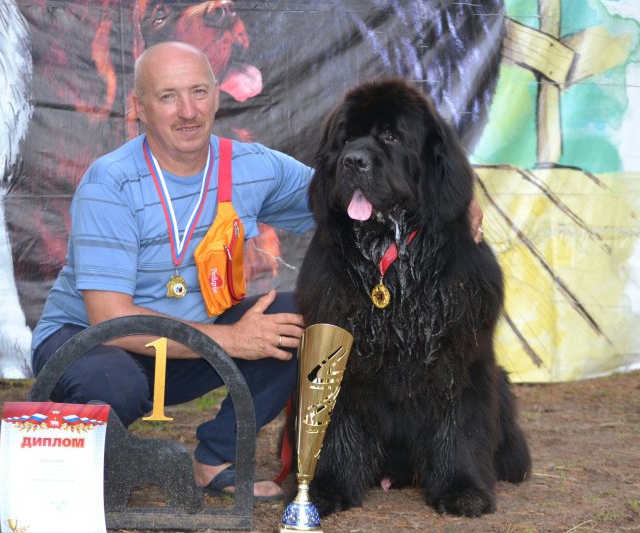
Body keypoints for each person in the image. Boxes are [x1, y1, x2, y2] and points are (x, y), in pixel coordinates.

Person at [31, 41, 485, 502]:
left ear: (216, 96)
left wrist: (452, 198)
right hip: (92, 344)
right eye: (168, 96)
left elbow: (339, 195)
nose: (187, 111)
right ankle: (69, 469)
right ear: (139, 108)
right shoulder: (110, 183)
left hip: (188, 346)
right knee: (113, 383)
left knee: (296, 325)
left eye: (198, 92)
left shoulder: (251, 166)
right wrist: (231, 339)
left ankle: (215, 458)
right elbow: (109, 318)